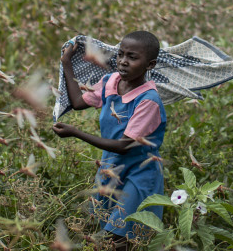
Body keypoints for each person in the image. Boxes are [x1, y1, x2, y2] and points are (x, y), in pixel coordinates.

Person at [52, 31, 166, 250]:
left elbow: (124, 146)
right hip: (111, 169)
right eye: (121, 54)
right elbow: (77, 102)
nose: (123, 61)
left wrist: (76, 132)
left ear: (150, 64)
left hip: (139, 173)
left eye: (132, 57)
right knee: (103, 228)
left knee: (118, 237)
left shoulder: (148, 101)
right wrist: (67, 63)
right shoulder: (111, 81)